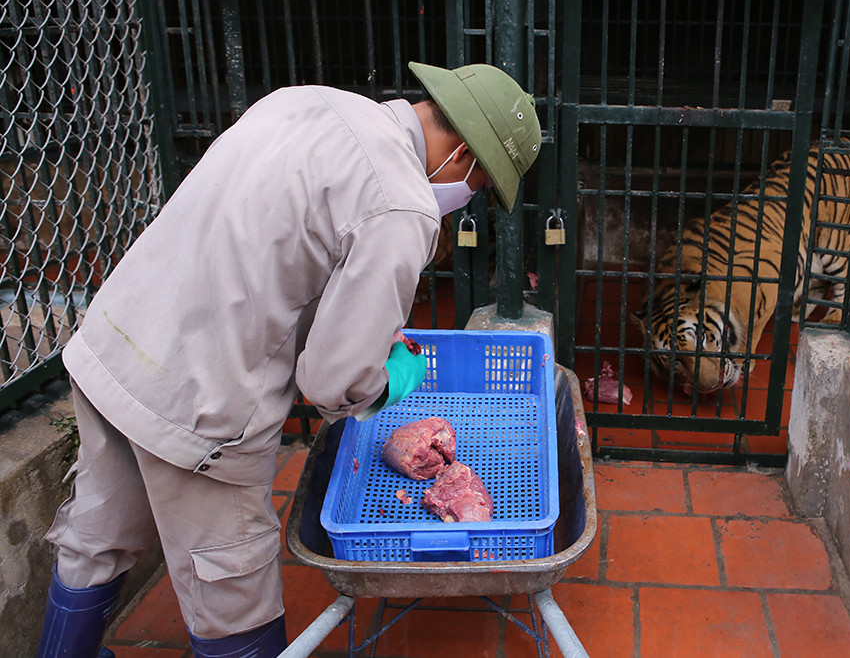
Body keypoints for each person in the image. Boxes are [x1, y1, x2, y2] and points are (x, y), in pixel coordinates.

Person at [35, 62, 542, 658]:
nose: (463, 202)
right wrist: (385, 381)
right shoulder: (403, 204)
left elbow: (272, 250)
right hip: (202, 401)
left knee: (98, 535)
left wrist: (366, 334)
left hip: (116, 343)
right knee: (232, 583)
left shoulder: (310, 102)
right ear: (460, 155)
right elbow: (333, 383)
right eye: (478, 188)